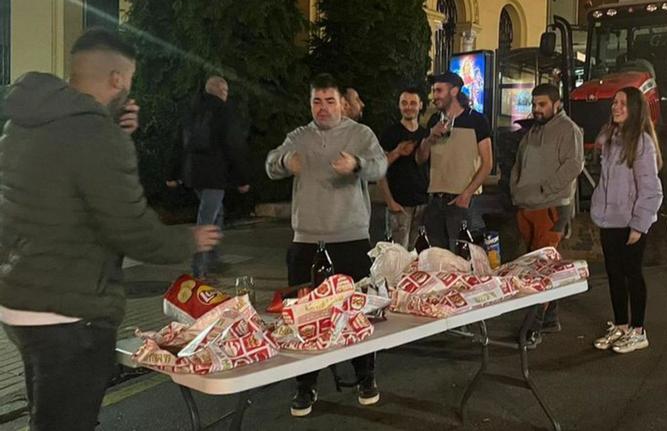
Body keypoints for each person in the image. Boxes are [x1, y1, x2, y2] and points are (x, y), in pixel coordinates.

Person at [0, 28, 221, 431]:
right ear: (117, 78)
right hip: (71, 311)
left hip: (20, 304)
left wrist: (117, 135)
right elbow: (128, 227)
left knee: (47, 419)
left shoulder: (25, 124)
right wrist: (188, 239)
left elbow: (60, 187)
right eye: (129, 80)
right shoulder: (96, 136)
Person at [265, 73, 387, 416]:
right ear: (310, 103)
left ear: (342, 103)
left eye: (330, 101)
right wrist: (285, 162)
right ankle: (305, 385)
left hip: (350, 236)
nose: (323, 108)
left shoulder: (360, 134)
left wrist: (357, 164)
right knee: (304, 317)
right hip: (306, 239)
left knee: (359, 311)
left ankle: (366, 376)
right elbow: (270, 162)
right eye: (317, 101)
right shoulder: (299, 136)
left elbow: (380, 166)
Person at [590, 86, 663, 354]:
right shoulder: (610, 139)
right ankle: (620, 325)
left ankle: (638, 330)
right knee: (614, 275)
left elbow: (651, 189)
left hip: (630, 222)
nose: (616, 107)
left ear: (635, 108)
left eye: (622, 103)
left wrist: (639, 224)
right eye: (614, 102)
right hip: (609, 220)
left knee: (633, 275)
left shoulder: (641, 143)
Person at [510, 83, 584, 336]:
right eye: (534, 104)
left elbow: (574, 164)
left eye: (542, 104)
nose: (536, 109)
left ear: (557, 104)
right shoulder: (532, 132)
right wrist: (516, 189)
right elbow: (519, 163)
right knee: (538, 265)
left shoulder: (568, 130)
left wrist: (546, 189)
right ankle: (550, 317)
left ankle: (534, 326)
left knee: (540, 267)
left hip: (552, 208)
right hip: (527, 205)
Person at [167, 76, 251, 281]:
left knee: (216, 213)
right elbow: (233, 146)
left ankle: (212, 260)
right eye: (226, 91)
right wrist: (242, 179)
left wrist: (172, 173)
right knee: (206, 221)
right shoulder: (223, 112)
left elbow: (178, 142)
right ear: (221, 91)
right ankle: (199, 270)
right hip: (214, 175)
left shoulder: (191, 110)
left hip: (192, 174)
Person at [415, 72, 493, 249]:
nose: (434, 96)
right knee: (438, 259)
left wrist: (466, 194)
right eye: (433, 91)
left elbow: (487, 163)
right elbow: (420, 159)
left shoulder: (477, 120)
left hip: (462, 201)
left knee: (463, 257)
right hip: (435, 200)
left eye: (439, 91)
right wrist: (430, 138)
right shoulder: (434, 120)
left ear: (454, 91)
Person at [378, 88, 429, 248]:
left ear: (420, 105)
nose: (409, 107)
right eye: (404, 103)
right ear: (399, 106)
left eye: (413, 103)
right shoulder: (389, 133)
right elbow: (378, 169)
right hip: (399, 204)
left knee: (417, 257)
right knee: (397, 256)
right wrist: (390, 202)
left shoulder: (426, 134)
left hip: (422, 204)